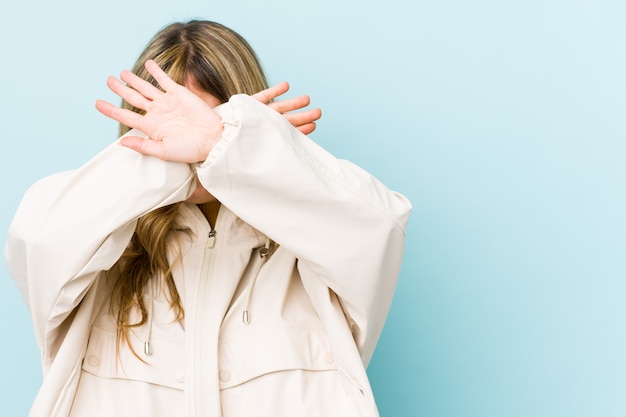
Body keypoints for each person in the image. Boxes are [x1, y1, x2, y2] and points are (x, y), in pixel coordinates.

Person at [5, 20, 411, 417]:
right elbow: (36, 238)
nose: (190, 142)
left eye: (210, 120)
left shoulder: (311, 254)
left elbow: (381, 226)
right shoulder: (99, 252)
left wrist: (230, 149)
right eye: (170, 125)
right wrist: (177, 160)